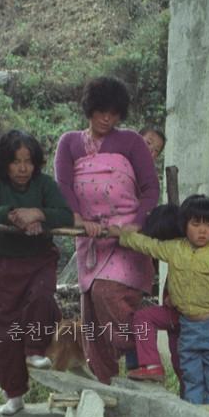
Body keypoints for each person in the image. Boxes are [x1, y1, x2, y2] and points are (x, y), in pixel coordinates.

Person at [54, 77, 159, 384]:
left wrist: (133, 225)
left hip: (126, 238)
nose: (107, 118)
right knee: (92, 321)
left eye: (114, 113)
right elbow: (62, 184)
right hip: (90, 240)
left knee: (107, 293)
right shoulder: (70, 142)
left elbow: (151, 188)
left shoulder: (131, 142)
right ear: (90, 108)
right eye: (101, 111)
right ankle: (107, 390)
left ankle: (142, 355)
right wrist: (75, 217)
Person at [108, 195, 209, 415]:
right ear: (184, 225)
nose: (202, 231)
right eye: (195, 224)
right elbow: (148, 245)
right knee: (190, 375)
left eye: (208, 225)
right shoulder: (175, 249)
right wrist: (122, 235)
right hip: (188, 325)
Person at [0, 129, 74, 415]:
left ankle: (35, 350)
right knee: (2, 328)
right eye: (16, 161)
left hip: (39, 259)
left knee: (42, 298)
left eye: (28, 161)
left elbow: (64, 214)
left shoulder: (43, 184)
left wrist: (39, 214)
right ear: (4, 162)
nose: (22, 168)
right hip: (3, 263)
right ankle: (14, 395)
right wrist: (14, 215)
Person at [129, 204, 183, 389]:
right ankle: (189, 403)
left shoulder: (177, 250)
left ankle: (152, 365)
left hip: (181, 313)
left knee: (143, 318)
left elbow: (147, 246)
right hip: (183, 319)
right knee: (181, 364)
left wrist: (121, 234)